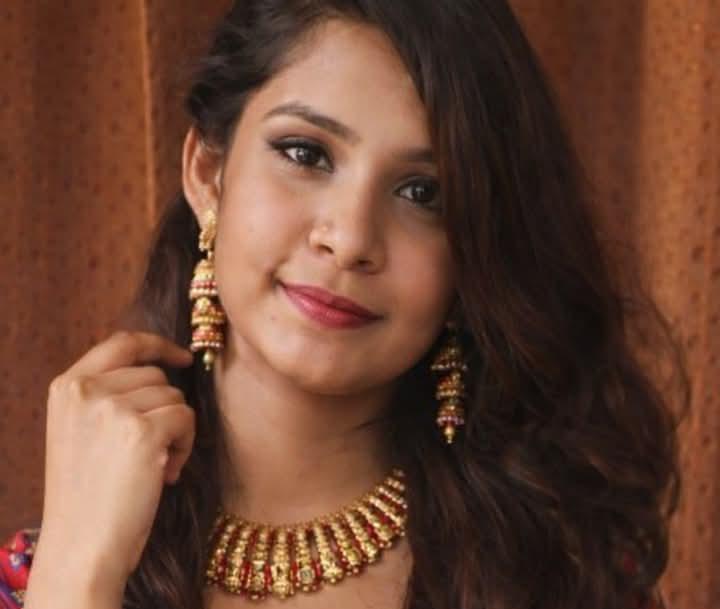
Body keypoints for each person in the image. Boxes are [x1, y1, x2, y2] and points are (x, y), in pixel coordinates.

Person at [1, 1, 686, 608]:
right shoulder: (45, 572)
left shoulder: (563, 573)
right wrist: (79, 576)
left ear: (476, 249)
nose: (351, 237)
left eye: (423, 193)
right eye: (305, 153)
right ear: (208, 173)